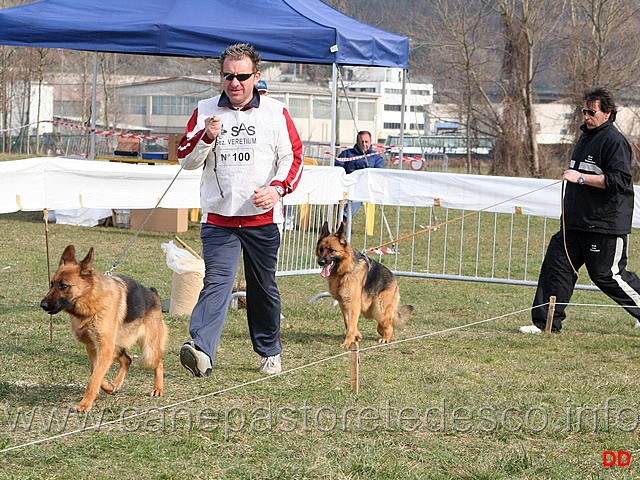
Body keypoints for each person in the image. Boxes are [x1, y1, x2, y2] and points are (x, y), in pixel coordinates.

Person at [177, 43, 304, 376]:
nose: (235, 83)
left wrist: (277, 188)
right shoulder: (205, 109)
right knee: (216, 283)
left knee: (262, 287)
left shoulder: (276, 112)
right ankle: (201, 350)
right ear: (221, 76)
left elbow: (294, 158)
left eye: (242, 77)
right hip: (220, 219)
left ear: (256, 77)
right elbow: (186, 161)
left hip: (262, 220)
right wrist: (205, 137)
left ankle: (269, 351)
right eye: (228, 76)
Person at [522, 86, 640, 334]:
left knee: (608, 276)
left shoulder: (614, 141)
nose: (586, 116)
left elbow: (619, 181)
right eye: (583, 111)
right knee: (557, 268)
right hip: (574, 223)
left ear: (607, 113)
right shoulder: (586, 136)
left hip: (604, 225)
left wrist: (581, 178)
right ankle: (546, 324)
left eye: (591, 112)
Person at [334, 130, 384, 217]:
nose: (364, 144)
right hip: (346, 186)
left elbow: (379, 173)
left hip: (364, 188)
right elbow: (338, 169)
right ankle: (341, 221)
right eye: (362, 142)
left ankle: (344, 220)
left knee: (358, 196)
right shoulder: (346, 154)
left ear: (371, 142)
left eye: (366, 142)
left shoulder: (376, 157)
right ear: (357, 142)